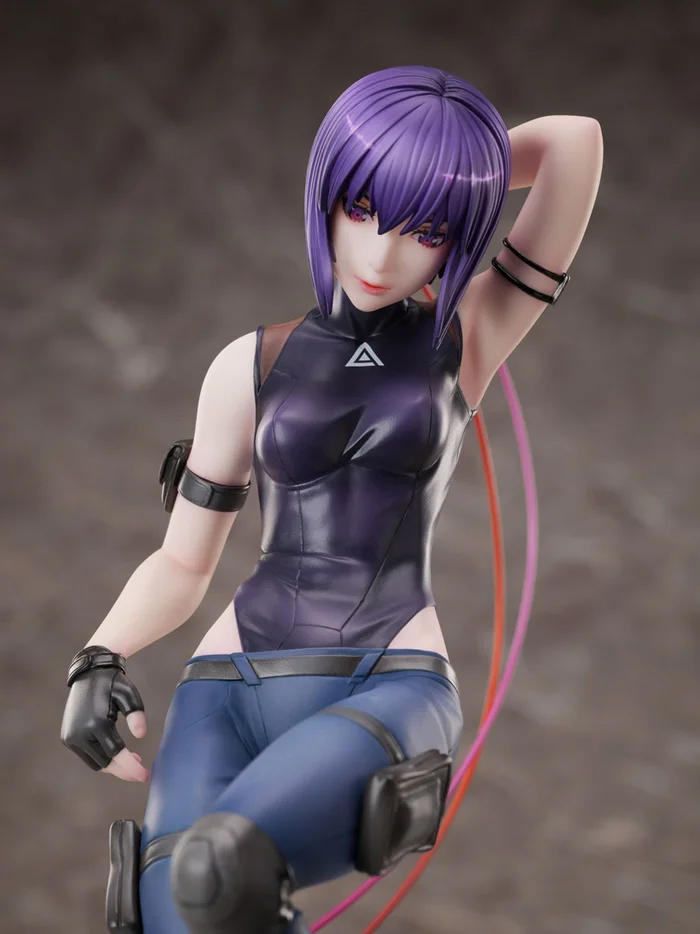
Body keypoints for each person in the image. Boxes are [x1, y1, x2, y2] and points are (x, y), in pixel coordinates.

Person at [61, 66, 603, 934]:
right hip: (226, 687)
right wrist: (100, 655)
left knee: (222, 869)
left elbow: (575, 142)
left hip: (388, 678)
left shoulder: (469, 333)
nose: (383, 254)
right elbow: (183, 559)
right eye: (362, 207)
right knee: (166, 916)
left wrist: (441, 168)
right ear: (327, 197)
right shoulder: (248, 363)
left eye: (426, 228)